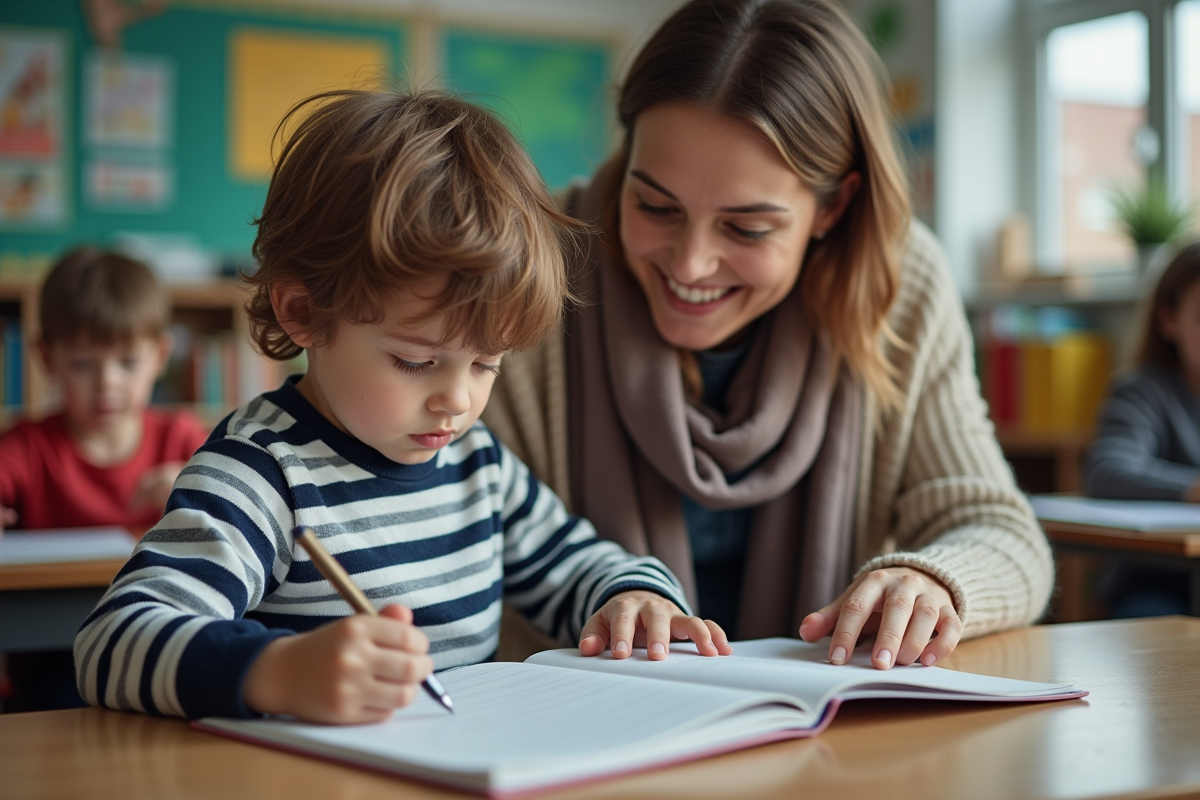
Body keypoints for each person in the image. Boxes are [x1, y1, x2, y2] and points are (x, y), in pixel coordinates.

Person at [75, 89, 729, 725]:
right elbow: (113, 641)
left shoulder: (478, 465)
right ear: (303, 312)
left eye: (487, 364)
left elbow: (576, 565)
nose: (458, 400)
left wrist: (633, 595)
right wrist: (277, 671)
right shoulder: (261, 475)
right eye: (416, 361)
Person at [484, 0, 1054, 671]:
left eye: (747, 228)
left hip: (822, 721)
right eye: (655, 206)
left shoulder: (901, 284)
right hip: (577, 718)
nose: (690, 264)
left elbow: (1002, 533)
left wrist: (932, 582)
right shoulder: (531, 265)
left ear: (833, 206)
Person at [0, 248, 209, 712]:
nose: (107, 383)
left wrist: (192, 486)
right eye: (82, 364)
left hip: (163, 639)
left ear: (160, 356)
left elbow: (234, 508)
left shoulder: (183, 439)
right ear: (46, 358)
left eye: (127, 362)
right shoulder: (27, 446)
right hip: (53, 659)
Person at [1081, 242, 1200, 616]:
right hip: (1156, 581)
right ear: (1168, 320)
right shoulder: (1143, 391)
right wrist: (1192, 489)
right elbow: (1108, 470)